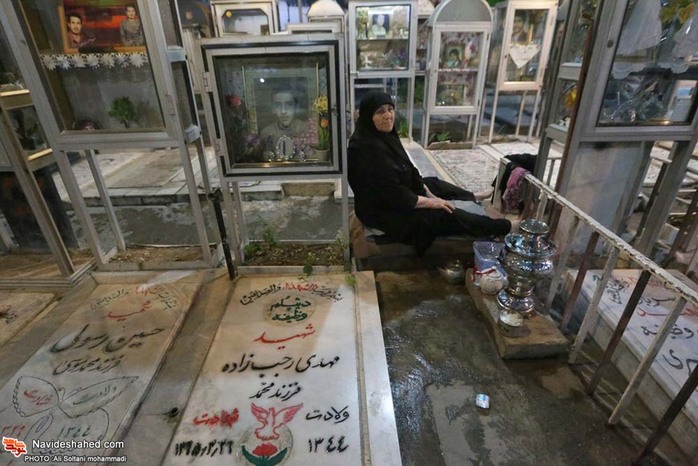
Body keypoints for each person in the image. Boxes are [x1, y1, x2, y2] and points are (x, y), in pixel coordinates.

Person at [348, 91, 512, 256]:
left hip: (391, 196)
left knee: (433, 184)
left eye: (390, 109)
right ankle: (501, 226)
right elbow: (395, 195)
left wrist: (428, 193)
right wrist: (432, 202)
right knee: (442, 214)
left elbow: (408, 168)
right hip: (382, 211)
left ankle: (473, 196)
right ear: (368, 116)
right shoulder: (366, 149)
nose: (388, 116)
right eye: (380, 112)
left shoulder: (383, 136)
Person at [260, 85, 308, 153]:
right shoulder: (266, 133)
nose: (283, 111)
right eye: (278, 105)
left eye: (289, 105)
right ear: (273, 109)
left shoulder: (305, 130)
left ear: (296, 107)